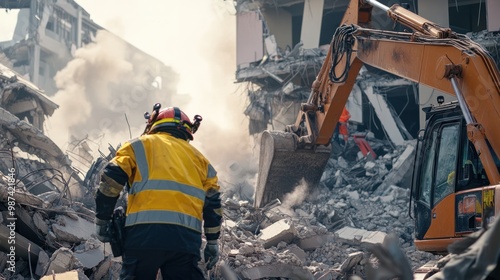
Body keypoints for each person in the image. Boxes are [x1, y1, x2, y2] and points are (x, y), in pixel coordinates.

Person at [94, 104, 222, 280]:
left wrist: (102, 219)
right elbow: (213, 204)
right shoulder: (202, 161)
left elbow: (111, 179)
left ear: (154, 124)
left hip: (143, 236)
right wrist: (213, 241)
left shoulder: (137, 146)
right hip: (185, 241)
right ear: (188, 132)